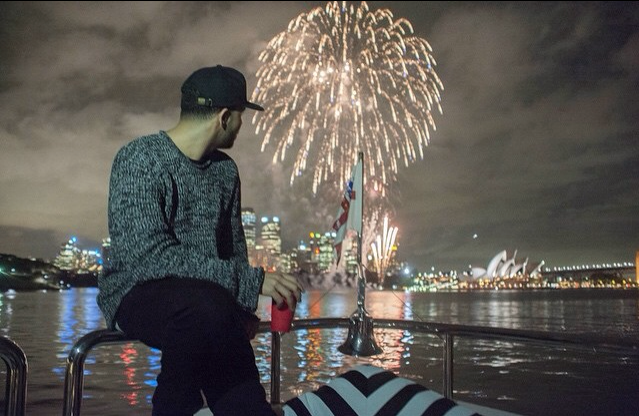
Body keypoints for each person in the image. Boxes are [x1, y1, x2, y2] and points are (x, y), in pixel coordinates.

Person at [97, 65, 303, 416]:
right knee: (204, 307)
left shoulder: (226, 171)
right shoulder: (140, 159)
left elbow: (232, 247)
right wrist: (252, 283)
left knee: (243, 393)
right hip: (137, 292)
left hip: (210, 304)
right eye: (240, 117)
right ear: (224, 118)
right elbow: (149, 257)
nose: (241, 126)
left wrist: (243, 307)